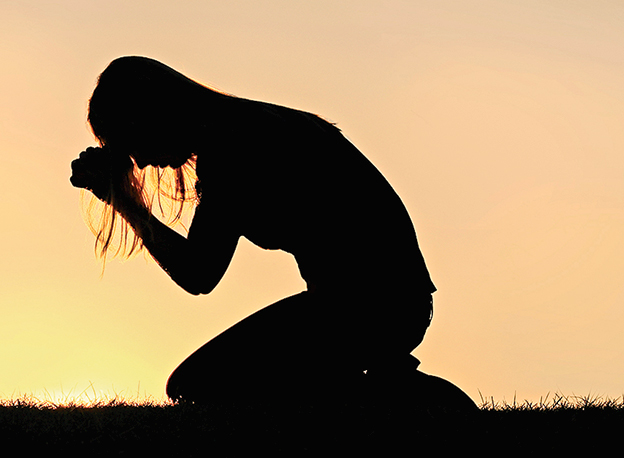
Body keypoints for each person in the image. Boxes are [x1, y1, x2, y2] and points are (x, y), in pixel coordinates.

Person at [70, 56, 439, 405]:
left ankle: (392, 398)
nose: (139, 161)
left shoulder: (231, 148)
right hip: (384, 303)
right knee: (205, 382)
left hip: (368, 309)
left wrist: (126, 203)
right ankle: (380, 388)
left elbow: (199, 273)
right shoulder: (248, 126)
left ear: (152, 115)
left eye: (131, 141)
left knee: (197, 385)